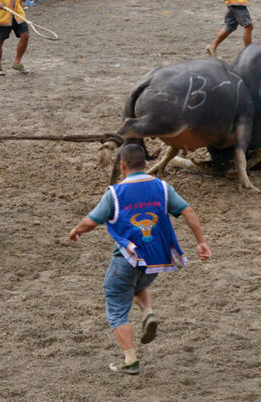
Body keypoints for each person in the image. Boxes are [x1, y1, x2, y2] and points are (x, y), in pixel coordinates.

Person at [67, 143, 211, 375]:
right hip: (156, 260)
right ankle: (148, 313)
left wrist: (77, 230)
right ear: (145, 164)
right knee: (138, 285)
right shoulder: (162, 187)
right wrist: (200, 242)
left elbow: (92, 221)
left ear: (122, 166)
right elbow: (188, 211)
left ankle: (130, 360)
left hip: (129, 258)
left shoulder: (115, 193)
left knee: (116, 305)